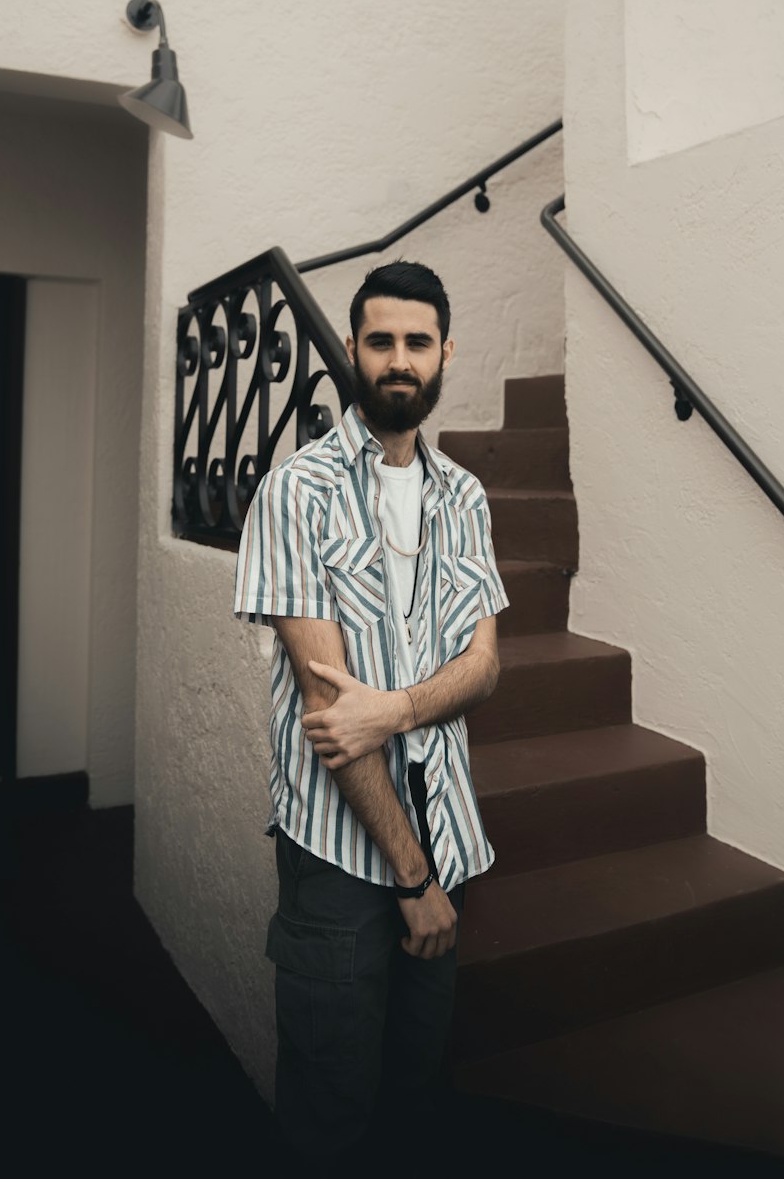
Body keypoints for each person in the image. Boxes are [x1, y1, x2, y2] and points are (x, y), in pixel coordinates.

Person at [234, 259, 509, 1161]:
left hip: (448, 829)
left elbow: (485, 667)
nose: (400, 359)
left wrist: (393, 708)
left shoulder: (464, 496)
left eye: (417, 343)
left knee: (416, 1092)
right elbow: (327, 709)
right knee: (331, 1107)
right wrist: (410, 879)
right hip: (341, 849)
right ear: (351, 349)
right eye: (381, 340)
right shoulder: (294, 492)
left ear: (445, 354)